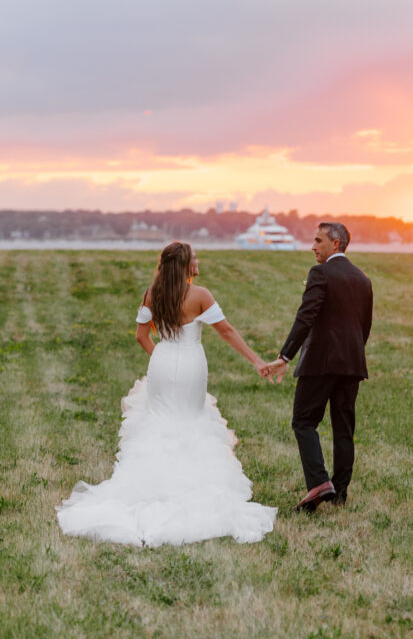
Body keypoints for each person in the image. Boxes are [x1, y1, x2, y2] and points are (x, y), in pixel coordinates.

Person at [56, 241, 276, 546]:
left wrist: (159, 356)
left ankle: (149, 487)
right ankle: (191, 487)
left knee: (159, 422)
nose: (199, 261)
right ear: (185, 264)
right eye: (195, 258)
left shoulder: (153, 293)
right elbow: (225, 330)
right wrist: (257, 361)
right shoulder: (200, 295)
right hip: (189, 364)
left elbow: (141, 336)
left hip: (161, 362)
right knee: (189, 419)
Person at [261, 222, 373, 511]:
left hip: (321, 362)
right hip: (352, 363)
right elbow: (364, 328)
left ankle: (319, 483)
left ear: (335, 244)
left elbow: (305, 317)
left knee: (303, 421)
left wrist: (285, 356)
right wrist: (352, 354)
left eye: (318, 240)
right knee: (343, 428)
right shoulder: (363, 279)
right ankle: (340, 494)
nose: (313, 246)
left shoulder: (320, 273)